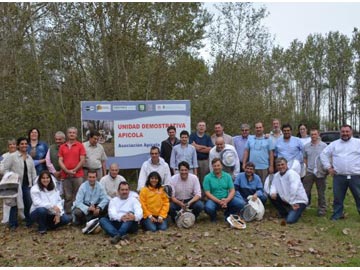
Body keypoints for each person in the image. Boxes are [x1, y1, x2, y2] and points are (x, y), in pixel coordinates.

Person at [320, 124, 360, 220]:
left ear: (351, 132)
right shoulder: (334, 144)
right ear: (340, 133)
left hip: (356, 176)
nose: (345, 133)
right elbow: (323, 154)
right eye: (343, 132)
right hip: (339, 176)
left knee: (359, 196)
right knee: (338, 198)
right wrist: (328, 168)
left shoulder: (358, 143)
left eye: (347, 131)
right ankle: (337, 215)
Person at [3, 137, 37, 229]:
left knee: (28, 202)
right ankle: (13, 224)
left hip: (27, 184)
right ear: (18, 145)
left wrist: (35, 183)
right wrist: (10, 176)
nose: (24, 145)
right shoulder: (12, 156)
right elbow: (5, 169)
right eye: (22, 144)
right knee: (14, 204)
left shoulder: (29, 157)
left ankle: (29, 221)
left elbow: (33, 171)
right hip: (15, 184)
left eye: (26, 144)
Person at [203, 158, 244, 222]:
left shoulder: (227, 176)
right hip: (214, 200)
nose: (216, 167)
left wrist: (227, 200)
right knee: (208, 208)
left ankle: (228, 215)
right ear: (212, 166)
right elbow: (207, 193)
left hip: (226, 199)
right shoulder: (207, 177)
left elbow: (232, 190)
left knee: (240, 203)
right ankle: (213, 217)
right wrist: (219, 201)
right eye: (215, 166)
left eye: (218, 165)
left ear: (222, 166)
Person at [269, 158, 308, 224]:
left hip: (298, 201)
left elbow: (294, 189)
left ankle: (296, 212)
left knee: (290, 220)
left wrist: (292, 202)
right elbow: (273, 186)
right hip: (286, 199)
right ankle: (284, 213)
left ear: (286, 165)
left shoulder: (292, 174)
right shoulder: (276, 175)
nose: (281, 166)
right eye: (278, 165)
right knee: (271, 196)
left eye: (282, 164)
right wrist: (272, 192)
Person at [58, 127, 86, 214]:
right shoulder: (62, 146)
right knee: (67, 196)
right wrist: (66, 170)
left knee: (78, 196)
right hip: (65, 175)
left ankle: (77, 215)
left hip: (78, 175)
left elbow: (82, 160)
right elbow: (60, 160)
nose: (72, 134)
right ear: (67, 134)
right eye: (70, 132)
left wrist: (74, 170)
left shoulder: (80, 145)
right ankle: (68, 215)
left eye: (74, 132)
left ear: (76, 134)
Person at [303, 128, 327, 216]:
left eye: (315, 134)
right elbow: (304, 158)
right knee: (306, 191)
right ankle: (303, 207)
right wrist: (306, 168)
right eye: (312, 134)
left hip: (320, 172)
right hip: (309, 171)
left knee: (321, 192)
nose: (313, 136)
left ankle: (322, 209)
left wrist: (325, 170)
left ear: (318, 135)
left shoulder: (324, 146)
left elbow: (327, 158)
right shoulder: (306, 146)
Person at [0, 139, 19, 224]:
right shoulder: (4, 156)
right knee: (7, 200)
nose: (12, 146)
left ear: (16, 145)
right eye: (10, 144)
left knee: (19, 199)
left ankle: (22, 216)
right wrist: (9, 174)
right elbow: (1, 168)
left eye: (14, 144)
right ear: (8, 146)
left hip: (19, 180)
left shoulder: (20, 154)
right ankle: (6, 219)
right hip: (7, 181)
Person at [189, 121, 214, 185]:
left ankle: (204, 193)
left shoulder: (207, 137)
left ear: (205, 128)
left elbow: (210, 149)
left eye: (203, 125)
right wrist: (204, 147)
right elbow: (192, 147)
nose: (201, 127)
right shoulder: (192, 136)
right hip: (194, 160)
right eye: (200, 125)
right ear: (197, 127)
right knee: (195, 178)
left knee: (204, 178)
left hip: (205, 161)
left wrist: (197, 146)